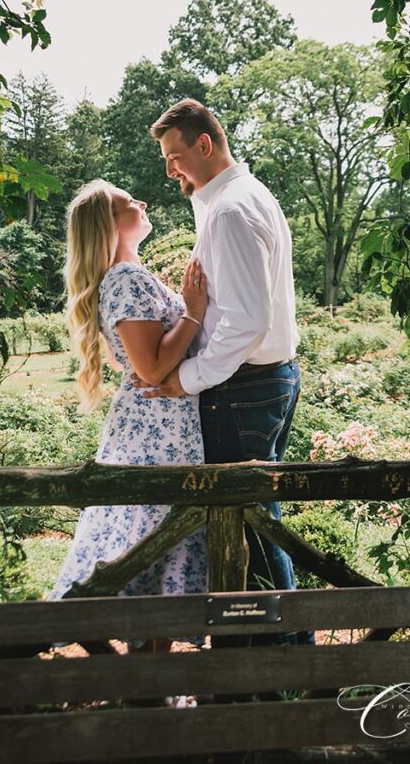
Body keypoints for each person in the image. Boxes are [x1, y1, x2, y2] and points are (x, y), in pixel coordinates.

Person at [141, 99, 313, 644]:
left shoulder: (233, 210)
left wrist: (185, 379)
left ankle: (280, 657)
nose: (170, 170)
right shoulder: (241, 196)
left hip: (242, 389)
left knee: (249, 526)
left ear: (204, 145)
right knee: (255, 517)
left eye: (175, 157)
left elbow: (246, 320)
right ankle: (258, 653)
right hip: (267, 379)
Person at [47, 179, 207, 613]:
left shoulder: (126, 277)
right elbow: (150, 368)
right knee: (152, 540)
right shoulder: (126, 278)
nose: (141, 200)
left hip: (153, 423)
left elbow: (127, 360)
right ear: (109, 226)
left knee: (154, 540)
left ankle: (151, 669)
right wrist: (192, 312)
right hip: (158, 429)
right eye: (127, 202)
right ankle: (132, 661)